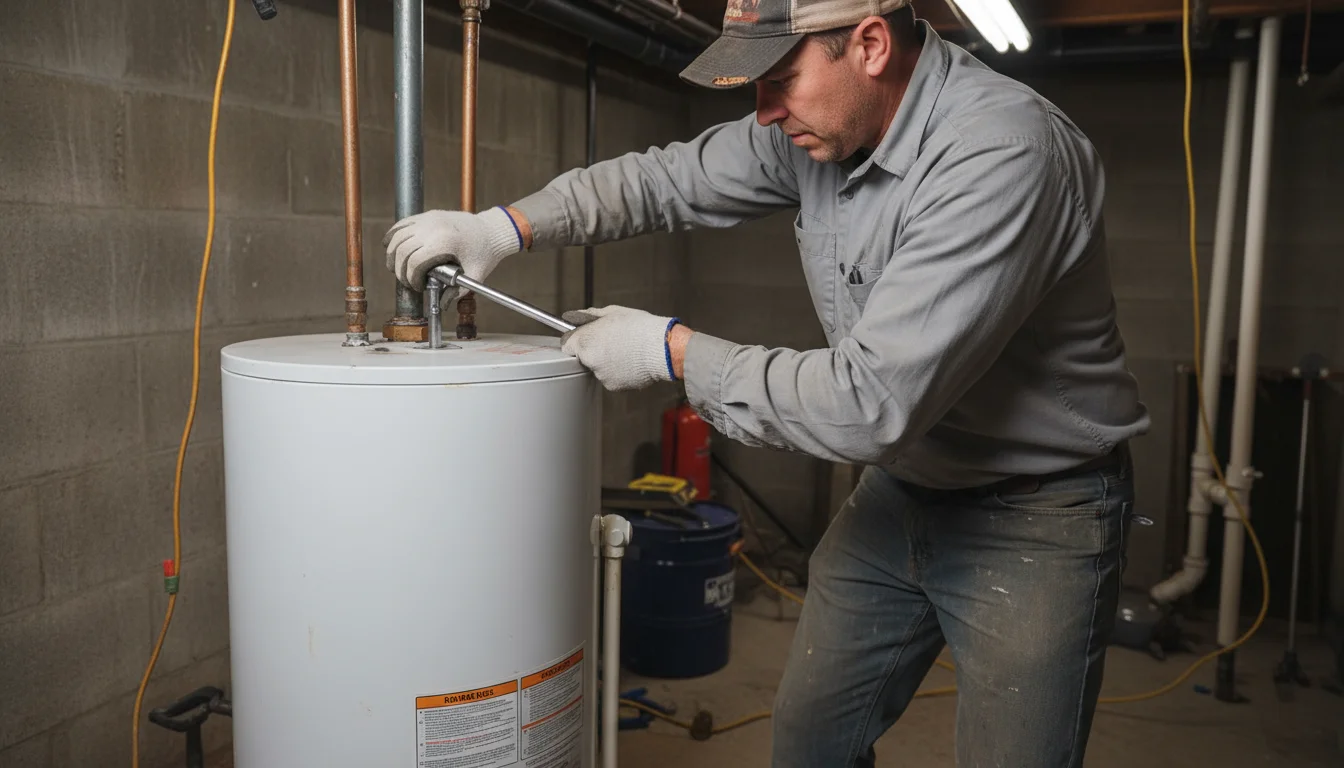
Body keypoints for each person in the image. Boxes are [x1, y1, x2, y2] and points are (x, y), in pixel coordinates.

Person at [383, 1, 1150, 764]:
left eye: (780, 78)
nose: (765, 110)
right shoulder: (821, 122)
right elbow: (664, 181)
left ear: (871, 45)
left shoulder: (1001, 154)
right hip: (907, 488)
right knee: (813, 740)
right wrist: (502, 228)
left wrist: (672, 352)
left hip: (1037, 514)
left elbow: (869, 405)